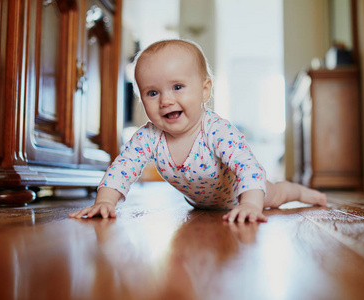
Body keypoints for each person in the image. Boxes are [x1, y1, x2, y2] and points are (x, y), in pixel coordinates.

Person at [69, 39, 327, 222]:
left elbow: (248, 167)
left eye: (178, 87)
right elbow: (123, 168)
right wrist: (104, 201)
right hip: (200, 203)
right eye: (152, 92)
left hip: (246, 193)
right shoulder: (148, 137)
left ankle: (304, 192)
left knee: (279, 193)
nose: (166, 100)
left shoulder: (216, 131)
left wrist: (250, 204)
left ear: (205, 90)